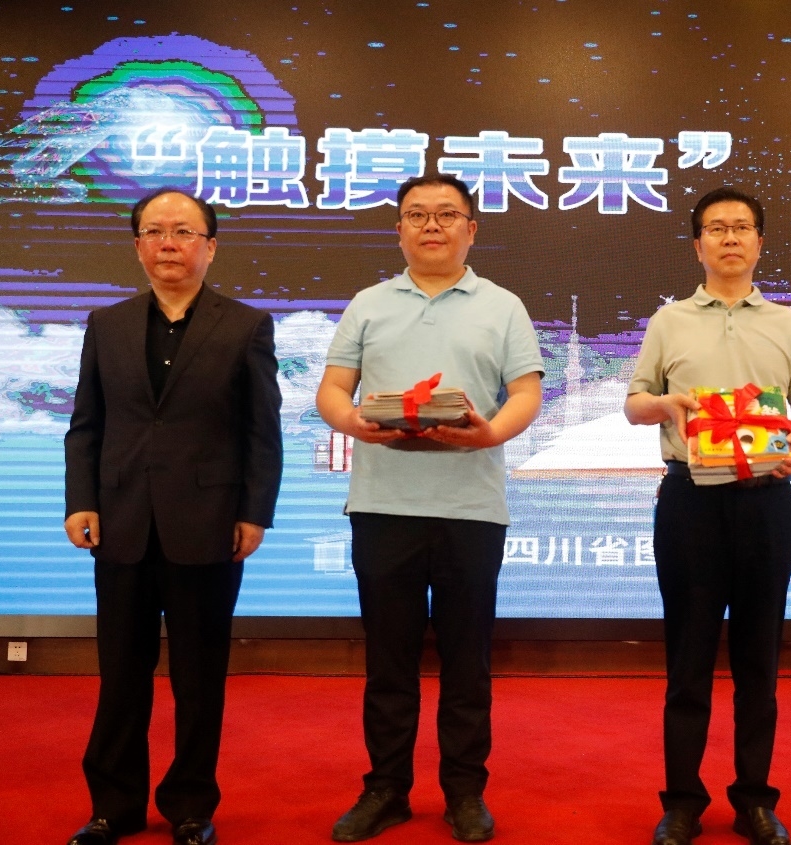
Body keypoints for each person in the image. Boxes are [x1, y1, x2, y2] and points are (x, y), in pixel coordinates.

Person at [316, 173, 543, 843]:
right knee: (388, 660)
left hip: (471, 506)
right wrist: (355, 424)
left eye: (447, 214)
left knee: (467, 660)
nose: (432, 226)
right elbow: (333, 389)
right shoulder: (368, 304)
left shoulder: (503, 305)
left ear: (471, 229)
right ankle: (385, 788)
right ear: (399, 230)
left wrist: (490, 434)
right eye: (417, 215)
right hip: (383, 504)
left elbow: (526, 393)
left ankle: (464, 791)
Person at [62, 188, 284, 845]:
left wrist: (254, 511)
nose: (168, 243)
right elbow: (86, 424)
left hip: (209, 522)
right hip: (120, 522)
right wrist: (81, 499)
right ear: (137, 246)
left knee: (199, 677)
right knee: (120, 676)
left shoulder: (245, 326)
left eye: (184, 232)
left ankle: (191, 806)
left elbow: (262, 432)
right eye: (155, 231)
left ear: (209, 247)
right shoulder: (106, 324)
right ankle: (113, 807)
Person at [624, 187, 791, 845]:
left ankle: (754, 799)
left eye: (741, 227)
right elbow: (634, 403)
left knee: (758, 661)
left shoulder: (788, 323)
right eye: (716, 228)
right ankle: (682, 801)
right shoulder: (669, 321)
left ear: (759, 242)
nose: (730, 238)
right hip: (690, 499)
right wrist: (667, 404)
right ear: (698, 245)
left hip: (766, 500)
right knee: (687, 659)